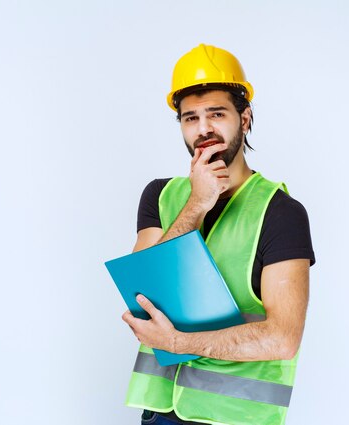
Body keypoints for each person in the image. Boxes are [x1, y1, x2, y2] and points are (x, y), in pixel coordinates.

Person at [121, 44, 315, 425]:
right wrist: (196, 203)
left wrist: (178, 344)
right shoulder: (161, 197)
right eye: (190, 118)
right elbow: (141, 297)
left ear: (245, 119)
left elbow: (283, 338)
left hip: (236, 417)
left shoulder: (281, 214)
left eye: (217, 114)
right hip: (160, 413)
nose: (203, 128)